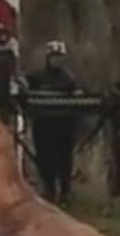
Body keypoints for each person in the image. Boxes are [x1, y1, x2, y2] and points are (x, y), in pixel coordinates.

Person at [25, 40, 81, 204]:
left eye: (59, 57)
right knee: (44, 159)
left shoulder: (69, 79)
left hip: (63, 126)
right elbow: (25, 86)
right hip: (44, 124)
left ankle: (65, 192)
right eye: (53, 57)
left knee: (64, 159)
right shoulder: (37, 77)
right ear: (48, 58)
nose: (56, 60)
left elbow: (77, 97)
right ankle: (49, 191)